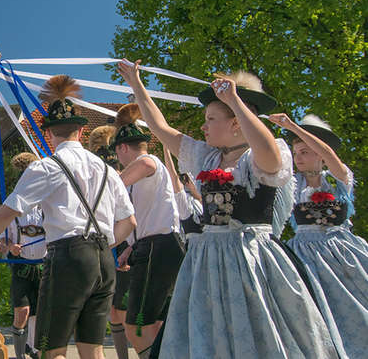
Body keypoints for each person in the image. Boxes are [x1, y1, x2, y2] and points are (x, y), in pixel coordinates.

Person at [117, 60, 338, 358]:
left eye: (210, 118)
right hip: (207, 259)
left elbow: (269, 154)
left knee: (260, 332)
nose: (202, 126)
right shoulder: (205, 157)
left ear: (236, 123)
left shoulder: (261, 156)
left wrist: (234, 100)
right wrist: (137, 84)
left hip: (251, 258)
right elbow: (160, 128)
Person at [0, 75, 136, 359]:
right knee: (92, 348)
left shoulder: (46, 167)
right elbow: (130, 222)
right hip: (104, 258)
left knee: (50, 348)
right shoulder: (106, 170)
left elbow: (5, 213)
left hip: (68, 257)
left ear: (49, 134)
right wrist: (103, 245)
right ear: (80, 132)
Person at [269, 113, 368, 358]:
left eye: (304, 151)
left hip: (341, 252)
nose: (298, 158)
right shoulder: (292, 184)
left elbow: (332, 158)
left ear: (319, 154)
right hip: (304, 255)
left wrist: (292, 126)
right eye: (296, 153)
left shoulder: (338, 179)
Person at [110, 104, 184, 358]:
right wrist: (129, 248)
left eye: (117, 153)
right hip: (155, 245)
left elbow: (135, 173)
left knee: (137, 325)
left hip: (158, 247)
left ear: (122, 147)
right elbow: (149, 216)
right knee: (154, 323)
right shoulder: (145, 167)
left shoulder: (146, 162)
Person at [88, 124, 131, 359]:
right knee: (112, 309)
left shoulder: (122, 181)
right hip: (101, 244)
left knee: (122, 307)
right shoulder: (92, 182)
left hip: (122, 244)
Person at [2, 151, 47, 359]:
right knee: (23, 311)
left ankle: (34, 349)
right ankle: (20, 354)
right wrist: (10, 246)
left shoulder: (47, 205)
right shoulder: (13, 206)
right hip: (21, 265)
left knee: (39, 313)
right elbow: (0, 241)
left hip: (43, 266)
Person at [162, 147, 203, 241]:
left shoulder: (210, 200)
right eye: (194, 180)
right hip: (196, 251)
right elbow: (174, 178)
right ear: (187, 184)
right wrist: (166, 148)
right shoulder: (187, 203)